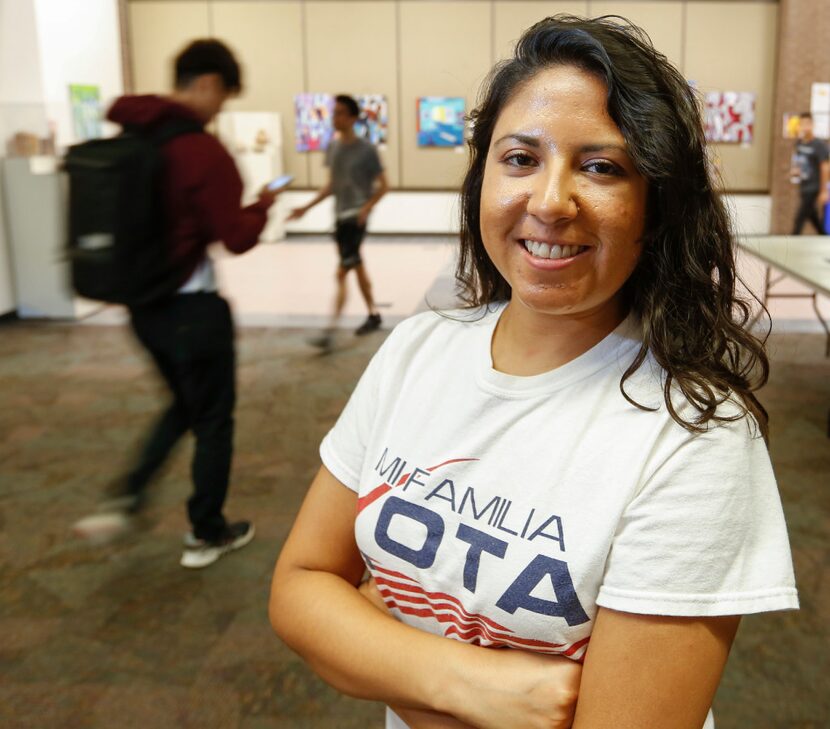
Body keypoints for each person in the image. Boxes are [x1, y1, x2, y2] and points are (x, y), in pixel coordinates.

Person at [269, 15, 798, 729]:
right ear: (481, 175)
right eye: (520, 158)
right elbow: (299, 589)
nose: (550, 201)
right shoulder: (419, 349)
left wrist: (368, 634)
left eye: (602, 166)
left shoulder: (695, 437)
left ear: (656, 202)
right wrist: (478, 685)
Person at [73, 39, 280, 569]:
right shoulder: (200, 150)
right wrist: (262, 207)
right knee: (213, 421)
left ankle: (128, 492)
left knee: (183, 405)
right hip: (193, 311)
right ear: (209, 83)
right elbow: (234, 236)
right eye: (224, 97)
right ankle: (206, 532)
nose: (220, 108)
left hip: (144, 308)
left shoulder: (137, 137)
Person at [287, 94, 388, 350]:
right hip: (340, 219)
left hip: (355, 219)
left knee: (342, 272)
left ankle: (329, 331)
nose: (335, 117)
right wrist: (305, 208)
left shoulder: (367, 150)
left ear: (353, 118)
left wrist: (366, 208)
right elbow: (330, 185)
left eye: (341, 112)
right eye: (335, 112)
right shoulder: (333, 148)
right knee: (357, 267)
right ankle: (374, 314)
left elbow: (384, 186)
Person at [790, 112, 829, 234]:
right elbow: (798, 161)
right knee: (813, 216)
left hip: (814, 187)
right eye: (802, 124)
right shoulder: (799, 143)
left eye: (807, 123)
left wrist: (823, 191)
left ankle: (792, 242)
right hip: (803, 185)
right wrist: (795, 171)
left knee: (799, 218)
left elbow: (825, 168)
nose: (805, 127)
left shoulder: (820, 145)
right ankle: (824, 235)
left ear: (812, 125)